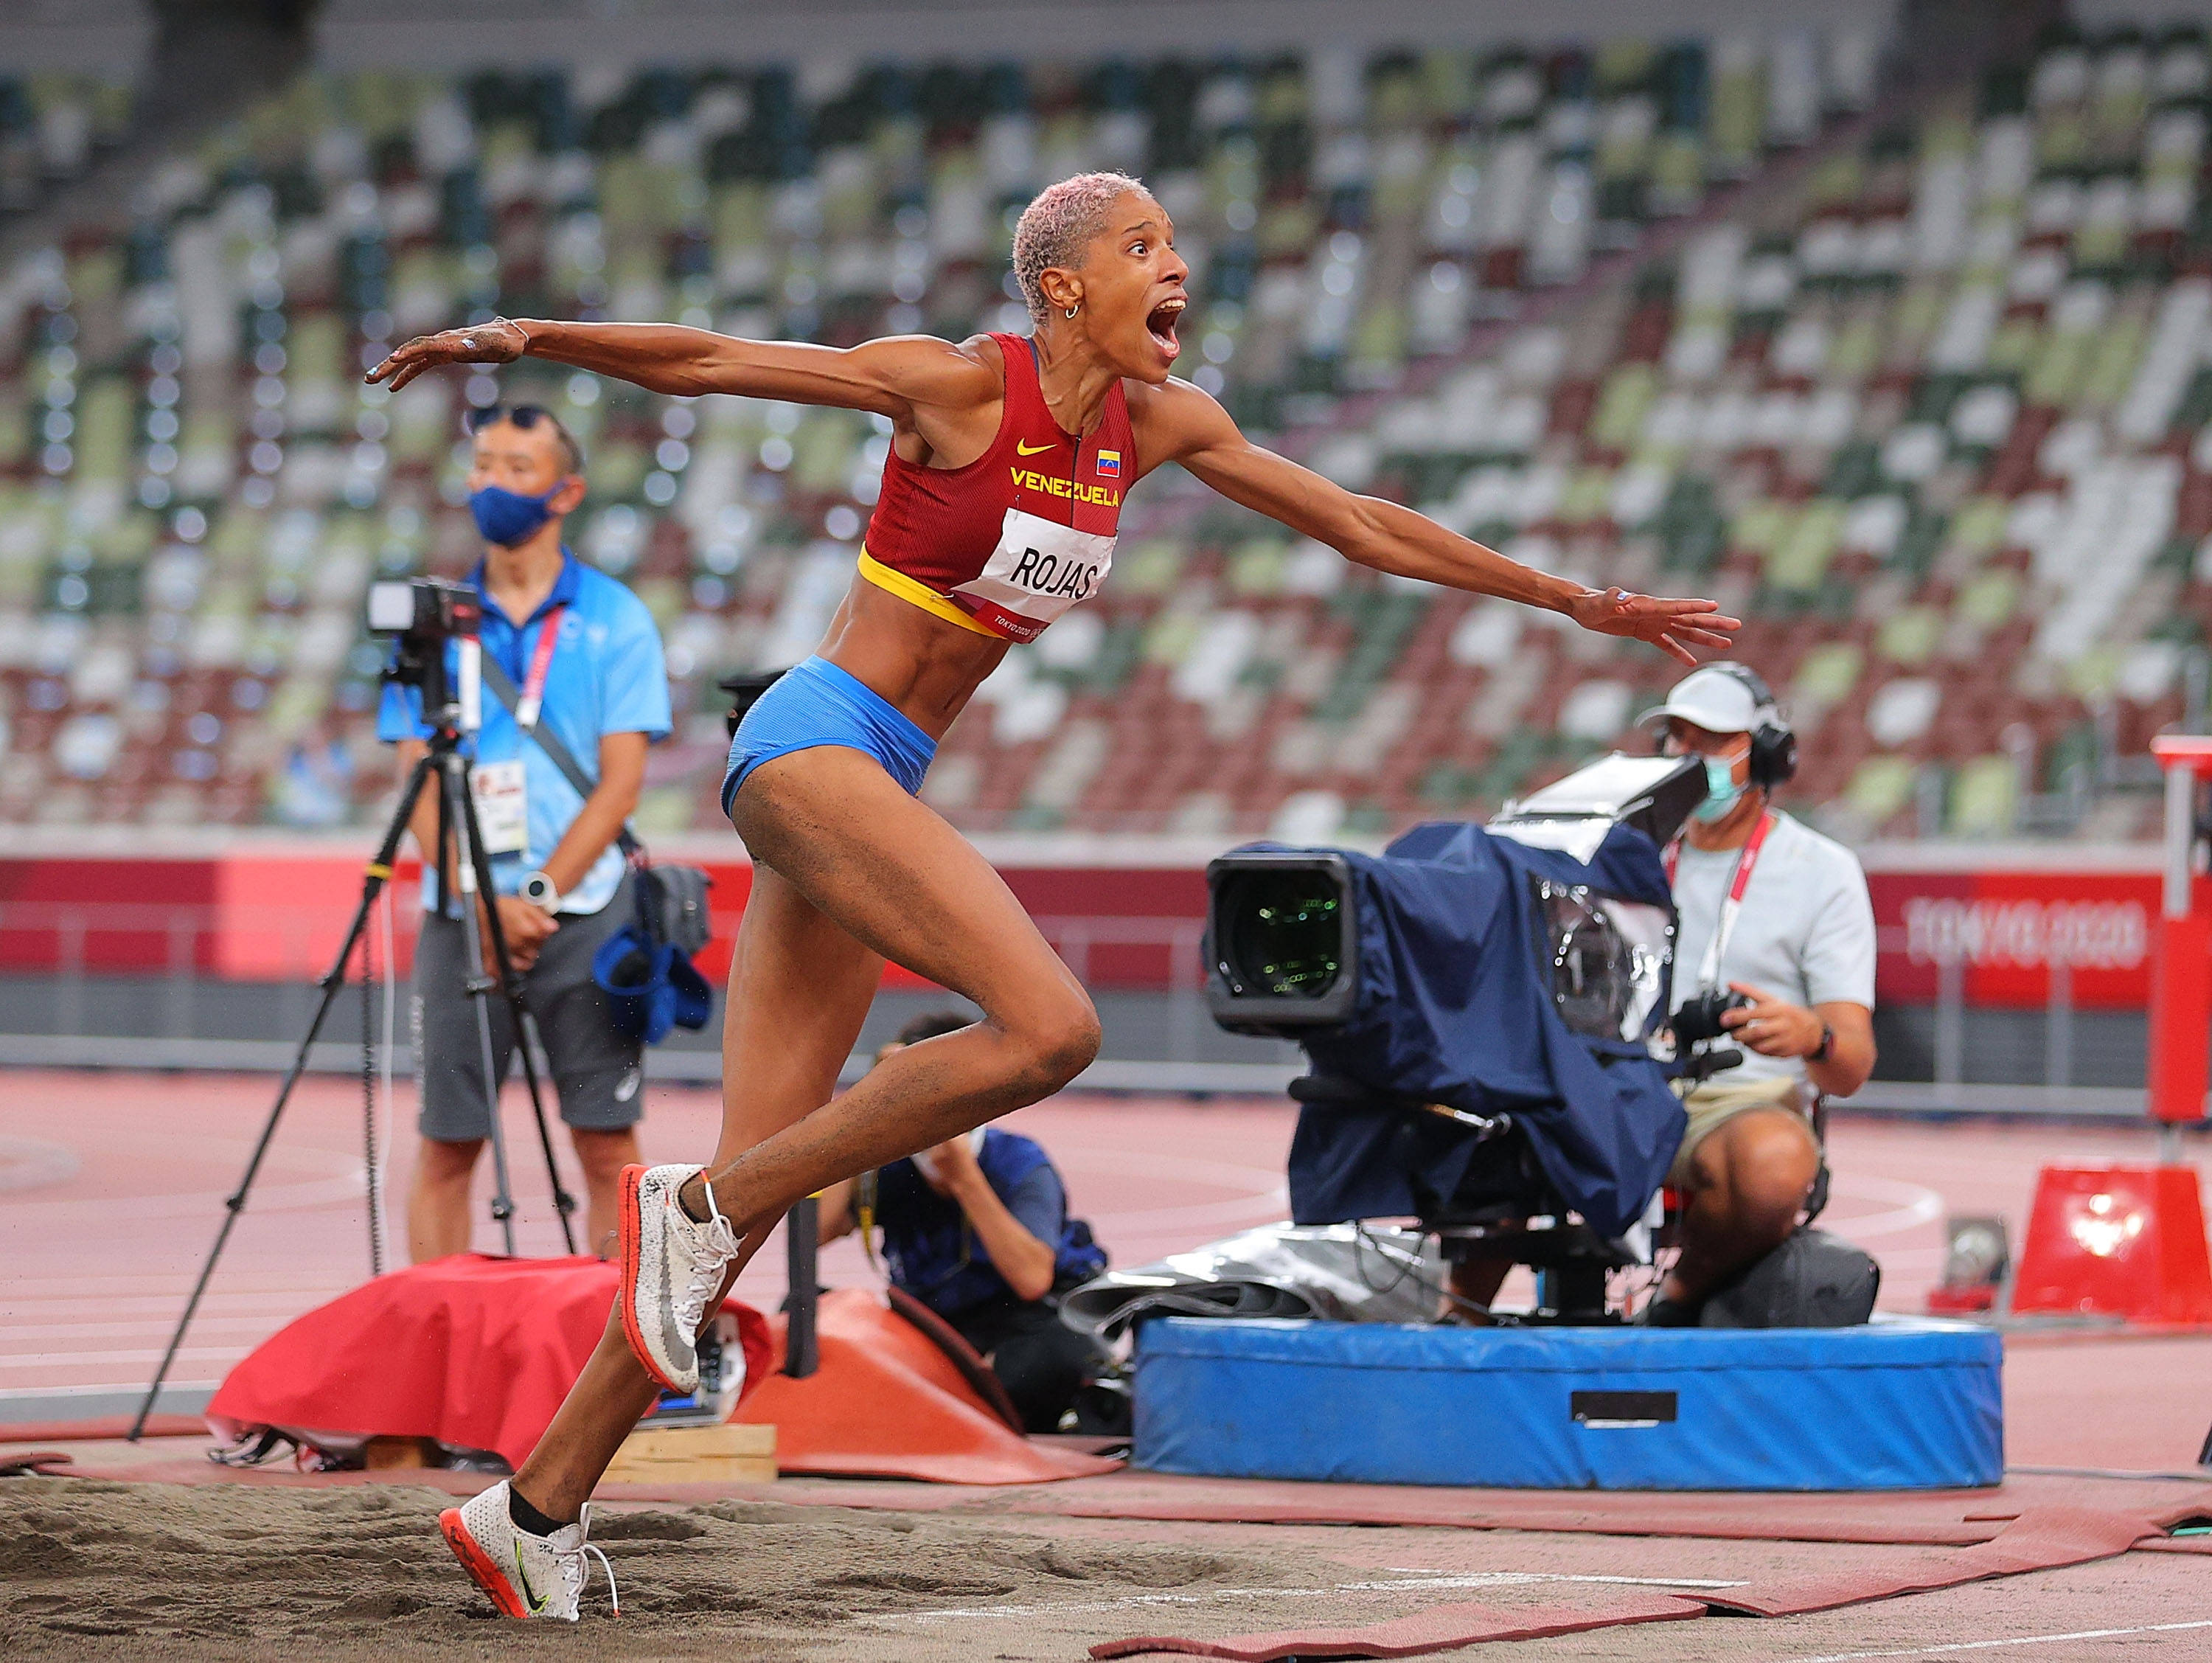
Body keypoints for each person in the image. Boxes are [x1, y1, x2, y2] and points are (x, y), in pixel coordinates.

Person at [369, 169, 1739, 1621]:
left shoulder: (1156, 426)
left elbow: (1360, 523)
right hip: (813, 742)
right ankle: (696, 1202)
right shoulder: (958, 389)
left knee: (752, 1202)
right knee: (1047, 1025)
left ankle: (530, 1506)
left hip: (878, 775)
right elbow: (715, 361)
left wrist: (1579, 600)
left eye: (1175, 243)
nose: (1178, 264)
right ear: (1064, 283)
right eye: (1143, 244)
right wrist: (518, 336)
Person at [378, 403, 672, 1266]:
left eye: (518, 467)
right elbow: (417, 781)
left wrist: (533, 896)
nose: (493, 482)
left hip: (584, 918)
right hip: (460, 920)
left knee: (608, 1148)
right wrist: (482, 898)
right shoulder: (429, 622)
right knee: (447, 1145)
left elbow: (620, 785)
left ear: (566, 490)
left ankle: (620, 1361)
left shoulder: (618, 617)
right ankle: (437, 1350)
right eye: (482, 464)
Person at [1637, 663, 1877, 1326]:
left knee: (1776, 1165)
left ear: (1767, 754)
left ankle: (1677, 1301)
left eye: (1711, 741)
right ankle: (1461, 1328)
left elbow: (1851, 1063)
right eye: (1676, 740)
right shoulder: (1626, 854)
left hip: (1740, 1102)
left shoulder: (1822, 872)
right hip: (1622, 1086)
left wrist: (1813, 1036)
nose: (1688, 759)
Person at [818, 1010, 1110, 1432]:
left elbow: (1031, 1278)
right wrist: (863, 1113)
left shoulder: (1019, 1162)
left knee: (1050, 1359)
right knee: (808, 1314)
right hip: (929, 1324)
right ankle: (936, 1402)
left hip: (1018, 1318)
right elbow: (815, 1234)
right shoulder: (892, 1165)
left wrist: (963, 1176)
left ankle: (939, 1407)